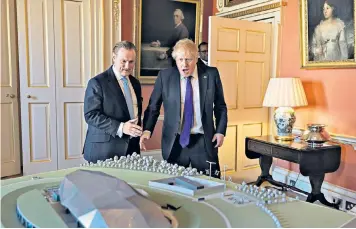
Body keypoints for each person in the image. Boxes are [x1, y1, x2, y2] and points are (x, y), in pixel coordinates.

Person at [140, 39, 227, 178]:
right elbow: (153, 107)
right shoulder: (165, 76)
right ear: (175, 59)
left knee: (210, 183)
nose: (184, 64)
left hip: (203, 141)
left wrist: (221, 131)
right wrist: (147, 129)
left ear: (196, 58)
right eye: (180, 59)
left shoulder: (211, 74)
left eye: (188, 59)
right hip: (176, 142)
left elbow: (220, 106)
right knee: (174, 186)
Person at [83, 41, 143, 163]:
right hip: (104, 150)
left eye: (131, 62)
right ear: (114, 57)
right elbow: (90, 115)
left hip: (131, 149)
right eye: (123, 61)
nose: (127, 66)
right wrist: (121, 127)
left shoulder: (135, 83)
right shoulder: (97, 82)